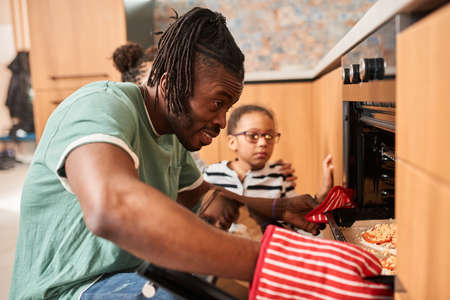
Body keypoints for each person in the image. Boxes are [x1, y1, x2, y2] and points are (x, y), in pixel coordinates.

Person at [10, 7, 390, 300]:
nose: (223, 121)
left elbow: (204, 194)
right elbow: (112, 208)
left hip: (131, 274)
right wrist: (280, 263)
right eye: (218, 102)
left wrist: (277, 208)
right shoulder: (99, 106)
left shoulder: (173, 135)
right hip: (71, 289)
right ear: (170, 82)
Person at [112, 42, 298, 181]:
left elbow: (202, 184)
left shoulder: (178, 140)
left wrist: (264, 174)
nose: (170, 92)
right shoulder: (120, 127)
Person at [202, 105, 333, 233]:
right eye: (253, 136)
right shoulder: (212, 174)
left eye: (269, 136)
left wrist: (321, 196)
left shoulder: (279, 176)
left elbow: (300, 220)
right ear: (232, 142)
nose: (263, 143)